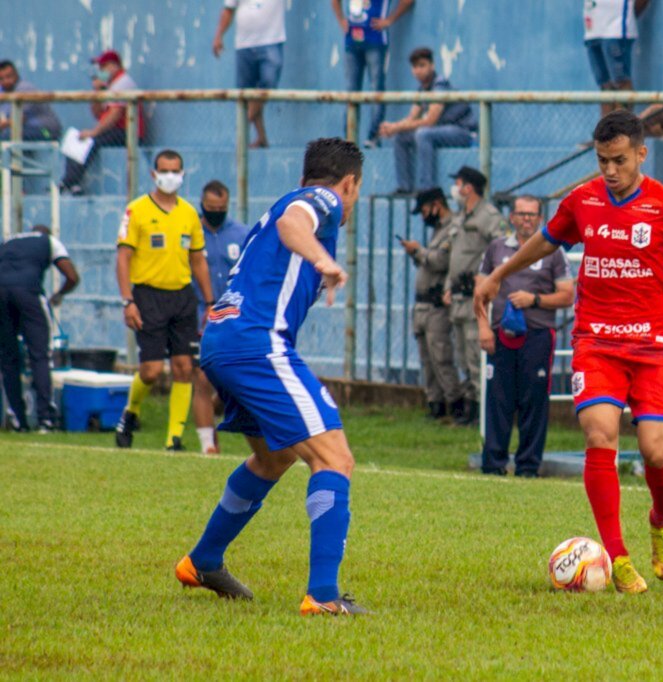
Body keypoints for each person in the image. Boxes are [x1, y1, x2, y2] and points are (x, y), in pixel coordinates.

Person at [475, 110, 663, 593]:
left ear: (641, 154)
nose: (609, 170)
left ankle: (661, 520)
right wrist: (498, 277)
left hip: (656, 341)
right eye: (602, 160)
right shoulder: (583, 201)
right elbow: (545, 242)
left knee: (655, 450)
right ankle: (617, 553)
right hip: (597, 340)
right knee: (599, 435)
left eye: (619, 160)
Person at [175, 137, 369, 617]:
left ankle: (201, 562)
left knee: (276, 455)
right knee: (335, 459)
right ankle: (323, 595)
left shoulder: (291, 200)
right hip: (256, 342)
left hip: (223, 340)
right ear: (348, 184)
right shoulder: (319, 201)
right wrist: (324, 261)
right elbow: (292, 223)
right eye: (356, 191)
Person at [114, 150, 214, 452]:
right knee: (152, 371)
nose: (170, 176)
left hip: (182, 297)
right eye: (164, 170)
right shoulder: (137, 210)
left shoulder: (189, 214)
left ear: (183, 174)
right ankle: (130, 413)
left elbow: (198, 261)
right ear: (154, 174)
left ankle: (174, 439)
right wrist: (127, 300)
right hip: (148, 295)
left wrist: (209, 303)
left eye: (175, 171)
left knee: (185, 367)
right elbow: (123, 258)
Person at [476, 195, 574, 477]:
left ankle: (528, 466)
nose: (526, 219)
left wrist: (535, 300)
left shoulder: (553, 252)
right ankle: (493, 464)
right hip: (500, 335)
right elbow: (480, 292)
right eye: (521, 214)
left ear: (541, 219)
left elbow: (568, 295)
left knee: (534, 400)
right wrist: (483, 327)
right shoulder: (496, 249)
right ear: (512, 218)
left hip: (537, 334)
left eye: (532, 215)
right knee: (498, 400)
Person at [444, 166, 508, 426]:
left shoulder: (489, 215)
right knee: (462, 355)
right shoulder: (462, 215)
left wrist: (488, 278)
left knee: (475, 356)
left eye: (458, 184)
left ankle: (485, 412)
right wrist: (449, 285)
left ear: (468, 187)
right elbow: (456, 254)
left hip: (476, 296)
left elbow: (502, 248)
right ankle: (471, 408)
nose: (456, 190)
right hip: (458, 297)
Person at [0, 225, 78, 432]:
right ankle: (45, 418)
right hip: (29, 293)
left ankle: (18, 419)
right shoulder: (49, 241)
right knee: (39, 355)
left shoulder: (9, 241)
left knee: (8, 359)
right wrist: (58, 294)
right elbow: (72, 276)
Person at [192, 180, 250, 454]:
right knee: (202, 379)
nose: (216, 211)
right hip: (199, 316)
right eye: (211, 208)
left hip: (233, 319)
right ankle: (208, 447)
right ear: (202, 205)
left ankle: (217, 414)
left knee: (233, 383)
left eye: (221, 208)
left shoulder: (241, 234)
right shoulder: (191, 232)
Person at [400, 187, 462, 421]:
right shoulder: (438, 229)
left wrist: (418, 251)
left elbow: (440, 261)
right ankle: (435, 403)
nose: (424, 215)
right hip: (422, 305)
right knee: (427, 359)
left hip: (437, 306)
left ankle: (455, 403)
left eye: (425, 209)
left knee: (441, 356)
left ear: (437, 204)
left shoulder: (453, 227)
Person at [378, 47, 476, 193]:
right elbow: (411, 118)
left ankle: (427, 188)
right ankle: (404, 187)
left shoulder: (440, 84)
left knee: (423, 134)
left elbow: (430, 120)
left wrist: (396, 127)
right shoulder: (422, 90)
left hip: (463, 133)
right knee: (401, 138)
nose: (418, 70)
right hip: (440, 132)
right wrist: (393, 127)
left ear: (432, 65)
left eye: (422, 65)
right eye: (415, 67)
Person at [330, 0, 415, 148]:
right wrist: (341, 20)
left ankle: (374, 136)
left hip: (376, 41)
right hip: (352, 42)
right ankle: (349, 140)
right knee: (351, 91)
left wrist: (390, 20)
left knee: (376, 88)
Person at [60, 50, 143, 196]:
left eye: (104, 66)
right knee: (76, 138)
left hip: (128, 132)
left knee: (91, 141)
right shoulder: (109, 85)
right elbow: (98, 114)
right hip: (114, 131)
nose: (100, 70)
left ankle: (71, 182)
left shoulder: (123, 82)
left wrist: (93, 132)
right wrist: (97, 92)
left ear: (114, 66)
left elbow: (114, 115)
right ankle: (70, 183)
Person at [213, 0, 286, 148]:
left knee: (268, 81)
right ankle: (261, 137)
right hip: (244, 45)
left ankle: (250, 116)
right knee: (246, 94)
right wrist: (218, 36)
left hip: (271, 41)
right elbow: (228, 10)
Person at [583, 0, 651, 119]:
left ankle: (622, 129)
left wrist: (628, 15)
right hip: (593, 29)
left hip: (616, 28)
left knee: (621, 82)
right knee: (605, 86)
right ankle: (606, 132)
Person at [0, 60, 62, 141]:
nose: (5, 81)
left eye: (9, 76)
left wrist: (3, 125)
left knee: (6, 133)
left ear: (16, 75)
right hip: (27, 131)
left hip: (47, 132)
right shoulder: (4, 92)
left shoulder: (25, 88)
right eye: (1, 78)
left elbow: (20, 118)